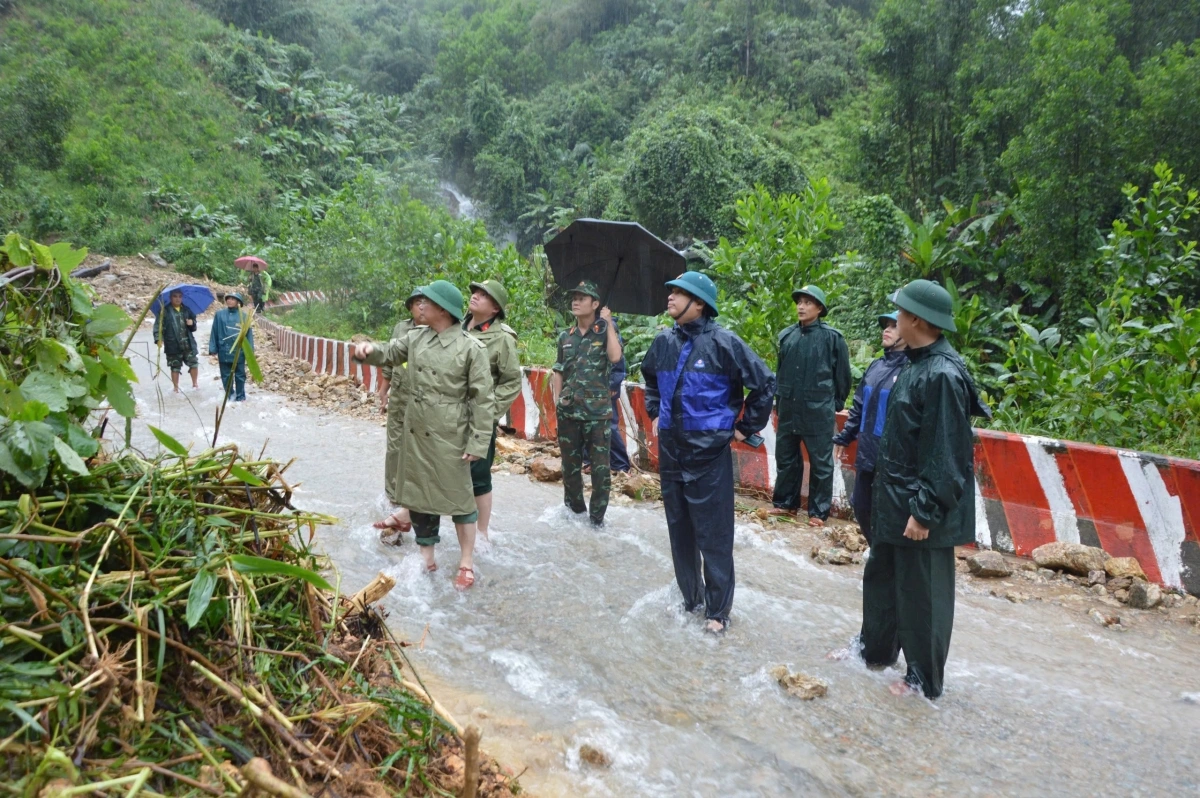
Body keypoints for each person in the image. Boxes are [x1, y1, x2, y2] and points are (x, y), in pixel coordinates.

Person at [855, 279, 990, 699]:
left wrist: (925, 511)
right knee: (882, 580)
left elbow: (946, 454)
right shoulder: (913, 364)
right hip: (893, 501)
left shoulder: (943, 375)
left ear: (915, 319)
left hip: (918, 507)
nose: (894, 319)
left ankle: (923, 680)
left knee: (922, 597)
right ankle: (872, 653)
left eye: (899, 312)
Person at [642, 272, 775, 634]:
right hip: (671, 454)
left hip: (709, 456)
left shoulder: (724, 343)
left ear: (699, 303)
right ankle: (691, 600)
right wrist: (656, 411)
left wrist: (744, 428)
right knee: (679, 532)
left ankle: (718, 612)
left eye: (679, 292)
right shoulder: (663, 343)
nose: (670, 297)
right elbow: (649, 377)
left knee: (714, 536)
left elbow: (764, 383)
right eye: (670, 290)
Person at [353, 280, 494, 590]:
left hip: (451, 435)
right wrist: (368, 351)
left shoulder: (471, 349)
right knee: (419, 497)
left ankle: (466, 561)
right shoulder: (415, 338)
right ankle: (427, 557)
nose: (420, 306)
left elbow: (483, 400)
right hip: (416, 431)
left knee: (460, 501)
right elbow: (389, 352)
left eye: (426, 302)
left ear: (442, 309)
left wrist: (477, 441)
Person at [770, 285, 851, 527]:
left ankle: (818, 512)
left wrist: (832, 404)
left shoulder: (832, 338)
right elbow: (780, 372)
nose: (801, 307)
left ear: (819, 308)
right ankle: (785, 504)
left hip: (818, 411)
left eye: (807, 302)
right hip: (789, 409)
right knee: (786, 458)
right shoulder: (787, 336)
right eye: (799, 302)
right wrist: (779, 402)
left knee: (821, 463)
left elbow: (843, 377)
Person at [831, 311, 908, 544]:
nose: (887, 330)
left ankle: (890, 564)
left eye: (894, 326)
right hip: (868, 452)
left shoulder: (912, 370)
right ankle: (879, 554)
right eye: (885, 325)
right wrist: (845, 437)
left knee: (890, 514)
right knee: (862, 507)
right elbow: (859, 407)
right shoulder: (876, 366)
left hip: (893, 459)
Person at [552, 281, 623, 526]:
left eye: (583, 298)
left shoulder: (605, 332)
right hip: (569, 412)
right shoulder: (566, 337)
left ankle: (596, 520)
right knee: (569, 469)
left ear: (595, 304)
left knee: (601, 472)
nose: (576, 301)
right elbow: (558, 370)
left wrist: (610, 324)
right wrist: (558, 401)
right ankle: (575, 514)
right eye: (574, 297)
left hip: (597, 413)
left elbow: (615, 357)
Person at [463, 279, 522, 540]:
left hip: (479, 419)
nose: (475, 296)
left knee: (478, 475)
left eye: (483, 295)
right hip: (447, 415)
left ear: (495, 308)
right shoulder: (455, 326)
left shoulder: (502, 339)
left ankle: (482, 533)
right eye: (475, 292)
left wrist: (488, 411)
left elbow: (511, 381)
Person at [375, 289, 426, 528]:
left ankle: (414, 500)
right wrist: (383, 391)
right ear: (410, 308)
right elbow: (390, 361)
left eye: (427, 303)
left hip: (423, 402)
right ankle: (392, 496)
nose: (423, 307)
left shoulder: (437, 332)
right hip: (399, 398)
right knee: (394, 447)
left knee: (418, 450)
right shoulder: (400, 329)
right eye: (418, 303)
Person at [209, 292, 253, 402]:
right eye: (228, 299)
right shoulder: (219, 315)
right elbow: (214, 331)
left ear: (238, 302)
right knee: (225, 375)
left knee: (240, 375)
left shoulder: (244, 317)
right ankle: (229, 395)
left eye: (233, 299)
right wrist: (213, 348)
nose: (230, 301)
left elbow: (249, 336)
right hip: (223, 349)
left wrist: (250, 353)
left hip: (239, 351)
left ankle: (240, 396)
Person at [154, 288, 199, 392]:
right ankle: (176, 388)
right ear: (170, 298)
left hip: (188, 343)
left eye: (180, 296)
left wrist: (192, 324)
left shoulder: (187, 310)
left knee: (194, 363)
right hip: (172, 344)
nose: (178, 299)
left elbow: (194, 326)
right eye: (175, 296)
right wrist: (158, 339)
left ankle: (195, 384)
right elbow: (157, 326)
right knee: (175, 366)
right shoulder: (164, 311)